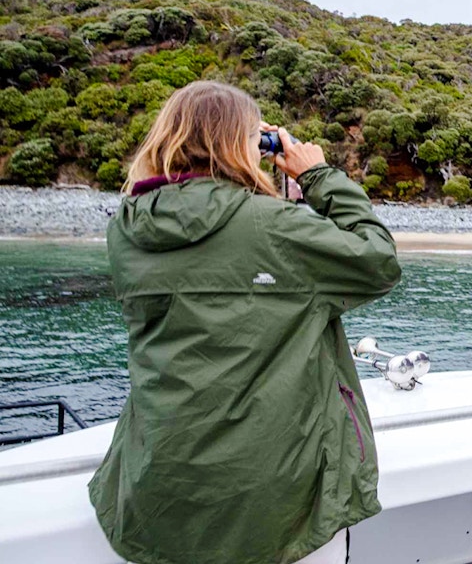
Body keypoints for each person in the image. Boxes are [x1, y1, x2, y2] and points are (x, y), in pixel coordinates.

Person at [88, 81, 403, 564]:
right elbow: (378, 259)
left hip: (158, 482)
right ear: (244, 143)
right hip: (274, 494)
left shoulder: (127, 229)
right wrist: (317, 175)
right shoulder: (275, 228)